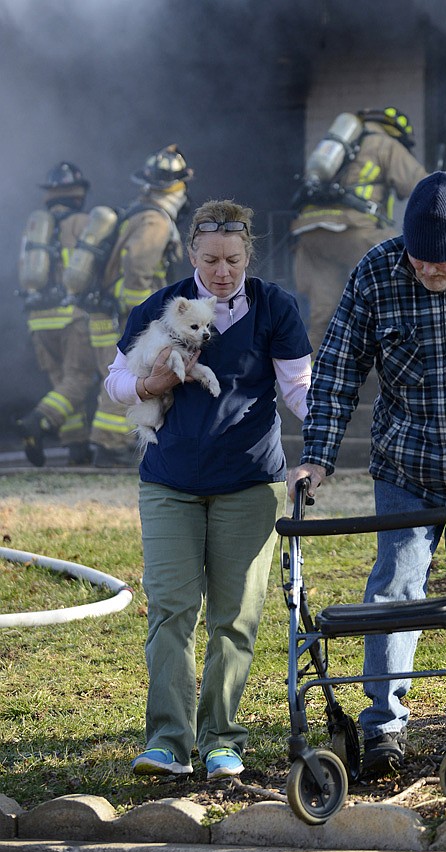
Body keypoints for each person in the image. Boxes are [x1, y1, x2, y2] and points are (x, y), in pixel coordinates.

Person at [287, 171, 446, 776]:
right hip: (406, 462)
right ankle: (383, 727)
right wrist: (318, 456)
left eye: (443, 261)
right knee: (394, 589)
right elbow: (337, 368)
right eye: (419, 259)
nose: (430, 271)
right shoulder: (377, 271)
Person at [105, 198, 311, 778]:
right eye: (212, 258)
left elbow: (297, 387)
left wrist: (320, 437)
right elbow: (115, 381)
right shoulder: (162, 307)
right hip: (170, 482)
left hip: (249, 482)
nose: (223, 271)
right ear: (192, 253)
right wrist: (150, 382)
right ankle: (169, 741)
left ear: (248, 256)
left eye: (234, 260)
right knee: (171, 610)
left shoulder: (275, 307)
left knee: (235, 618)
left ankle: (222, 739)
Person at [88, 144, 194, 467]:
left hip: (107, 313)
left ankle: (110, 443)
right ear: (176, 186)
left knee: (117, 374)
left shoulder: (138, 212)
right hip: (121, 317)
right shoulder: (155, 222)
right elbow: (138, 271)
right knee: (124, 374)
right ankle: (109, 447)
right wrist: (143, 320)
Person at [290, 106, 428, 350]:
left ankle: (309, 374)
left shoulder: (338, 148)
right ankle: (396, 358)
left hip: (310, 230)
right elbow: (423, 187)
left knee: (324, 310)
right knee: (400, 272)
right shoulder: (385, 144)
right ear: (398, 133)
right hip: (352, 228)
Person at [16, 162, 98, 467]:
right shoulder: (84, 222)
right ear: (79, 193)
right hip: (72, 316)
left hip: (38, 320)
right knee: (78, 378)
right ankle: (38, 420)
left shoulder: (35, 227)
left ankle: (76, 448)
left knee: (62, 383)